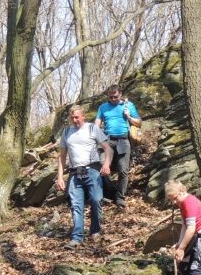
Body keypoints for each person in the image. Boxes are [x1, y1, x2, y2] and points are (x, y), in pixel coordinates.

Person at [57, 105, 112, 249]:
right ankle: (77, 237)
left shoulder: (92, 128)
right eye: (72, 118)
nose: (74, 120)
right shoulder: (67, 132)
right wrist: (60, 177)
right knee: (76, 205)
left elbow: (107, 148)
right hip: (75, 172)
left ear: (83, 116)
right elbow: (62, 156)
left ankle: (95, 230)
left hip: (92, 170)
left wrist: (106, 164)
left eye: (77, 117)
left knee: (96, 199)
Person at [94, 84, 142, 208]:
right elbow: (97, 124)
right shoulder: (103, 107)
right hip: (108, 140)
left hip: (124, 140)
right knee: (101, 165)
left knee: (123, 170)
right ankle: (108, 192)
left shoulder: (128, 105)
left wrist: (128, 116)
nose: (113, 99)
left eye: (115, 97)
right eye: (110, 97)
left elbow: (139, 123)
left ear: (120, 94)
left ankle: (120, 197)